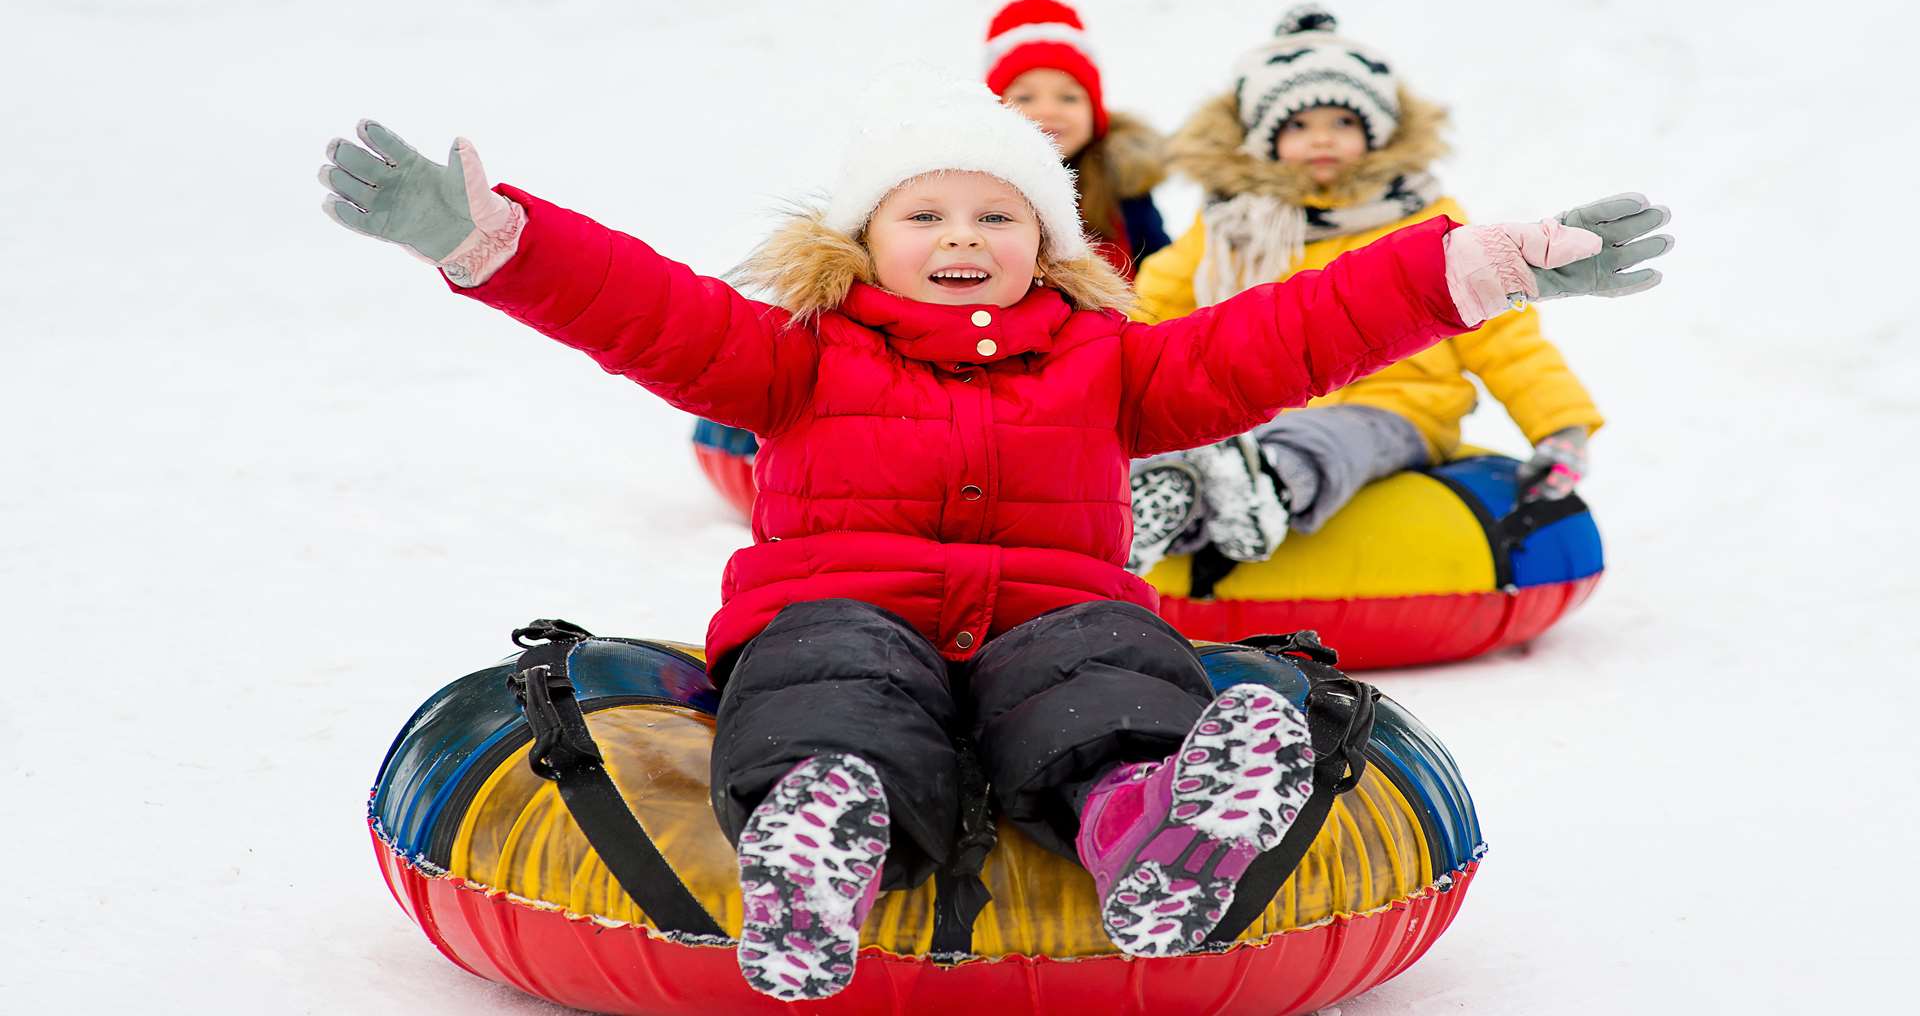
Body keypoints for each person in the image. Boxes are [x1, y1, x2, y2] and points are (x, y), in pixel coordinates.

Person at [318, 72, 1669, 999]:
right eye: (926, 214)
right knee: (831, 671)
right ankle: (816, 841)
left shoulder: (1111, 365)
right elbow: (645, 310)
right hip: (843, 607)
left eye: (997, 214)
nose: (961, 236)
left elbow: (1291, 333)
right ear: (863, 241)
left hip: (1047, 615)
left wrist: (1474, 268)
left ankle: (1150, 833)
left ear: (1048, 243)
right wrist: (496, 240)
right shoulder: (791, 358)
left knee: (1112, 665)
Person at [1128, 6, 1619, 574]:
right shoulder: (1233, 228)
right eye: (1298, 125)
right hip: (1257, 407)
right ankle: (1162, 509)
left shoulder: (1424, 220)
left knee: (1334, 439)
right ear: (1263, 139)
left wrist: (1561, 424)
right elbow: (1152, 313)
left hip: (1396, 406)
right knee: (1209, 436)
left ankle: (1265, 487)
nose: (1323, 141)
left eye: (1343, 123)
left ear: (1377, 133)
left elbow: (1507, 337)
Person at [986, 0, 1170, 278]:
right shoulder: (975, 184)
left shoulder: (1122, 185)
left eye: (1069, 98)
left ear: (1094, 112)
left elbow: (1161, 273)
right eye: (1025, 96)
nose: (1048, 110)